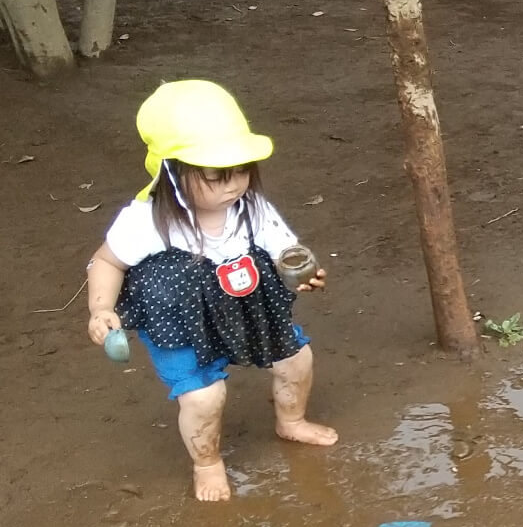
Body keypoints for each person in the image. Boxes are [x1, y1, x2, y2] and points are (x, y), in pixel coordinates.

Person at [83, 80, 335, 501]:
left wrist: (300, 270)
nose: (233, 185)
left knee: (296, 359)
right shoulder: (146, 221)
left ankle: (291, 421)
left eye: (241, 171)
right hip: (178, 317)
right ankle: (207, 462)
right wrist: (100, 309)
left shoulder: (251, 206)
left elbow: (284, 250)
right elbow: (107, 261)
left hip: (248, 305)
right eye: (217, 177)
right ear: (171, 172)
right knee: (203, 397)